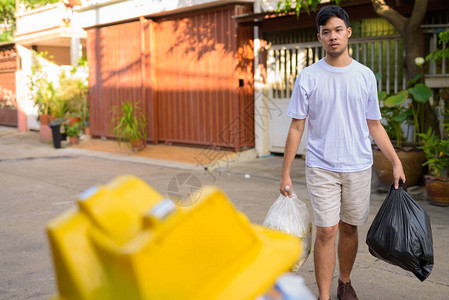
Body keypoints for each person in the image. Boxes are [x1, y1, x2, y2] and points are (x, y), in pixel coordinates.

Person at [279, 5, 406, 300]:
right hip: (321, 166)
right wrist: (285, 172)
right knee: (326, 231)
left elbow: (374, 124)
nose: (333, 37)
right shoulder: (308, 77)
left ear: (348, 33)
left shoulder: (364, 76)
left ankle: (344, 282)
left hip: (358, 166)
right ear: (320, 38)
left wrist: (396, 162)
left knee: (350, 227)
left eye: (338, 30)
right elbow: (297, 127)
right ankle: (324, 295)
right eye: (326, 32)